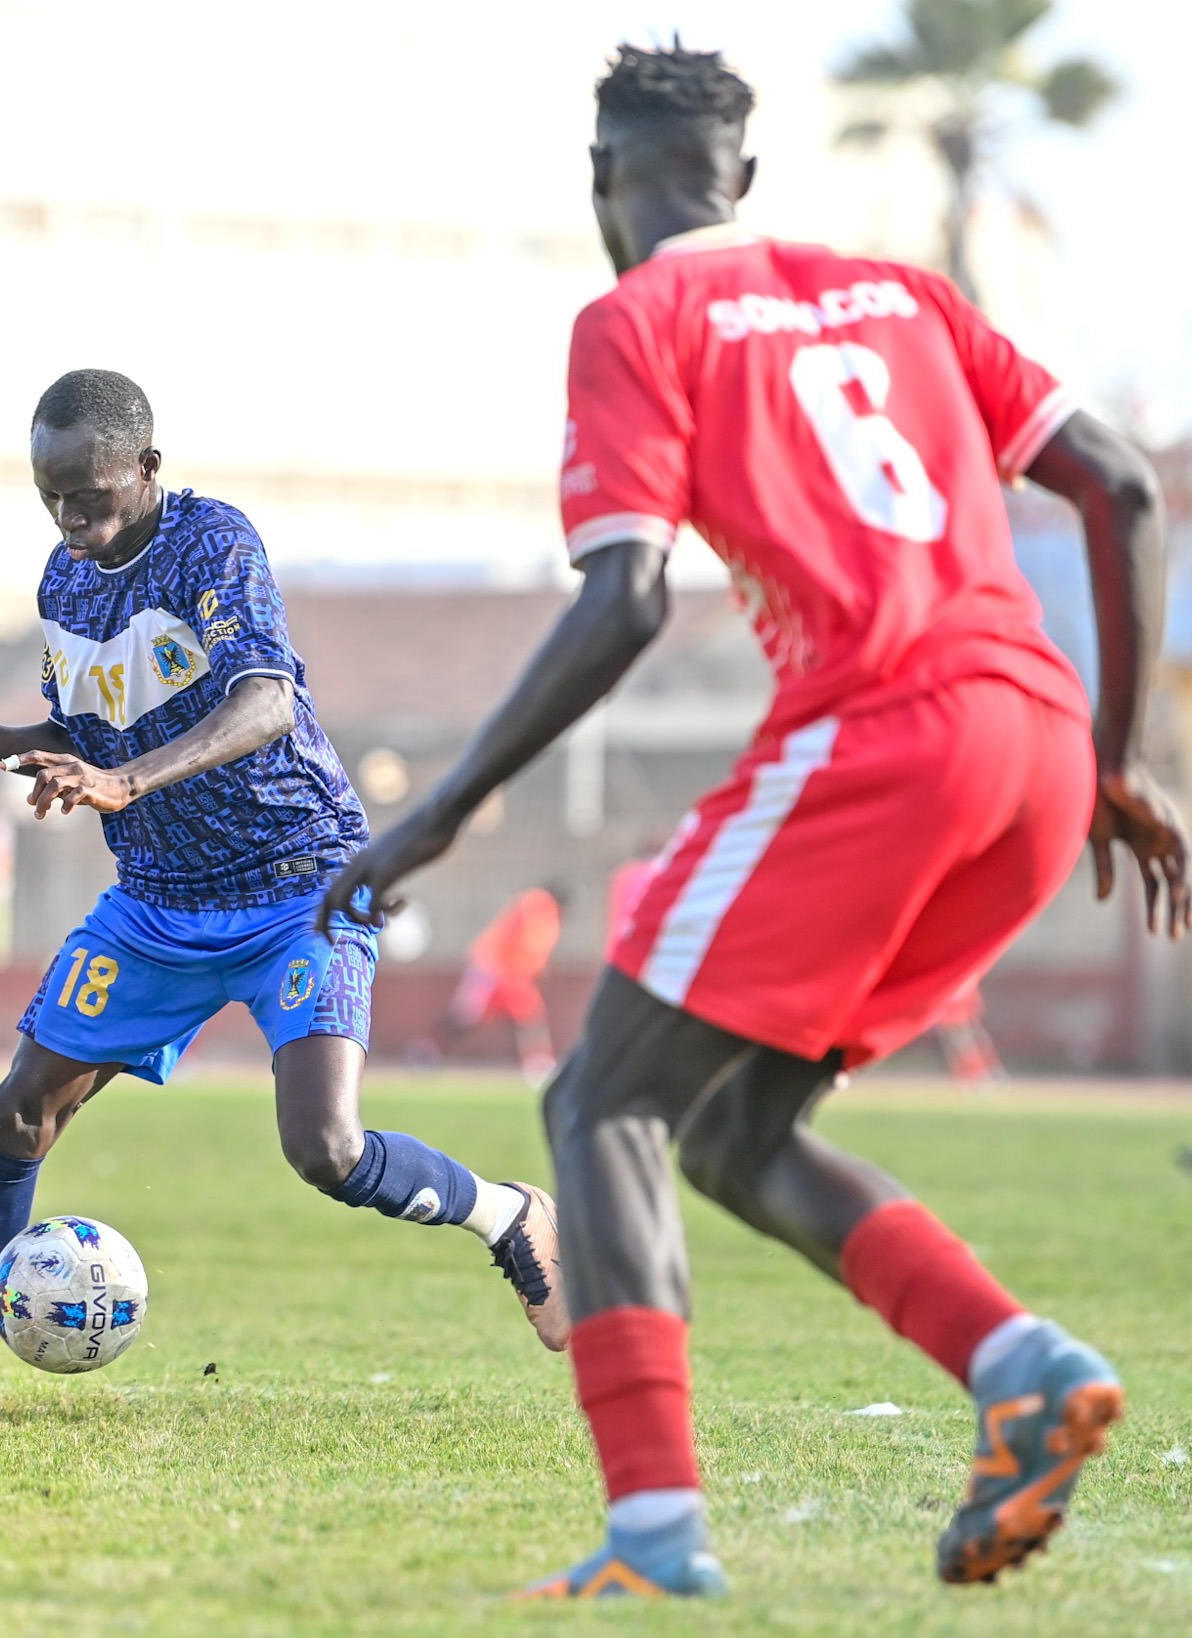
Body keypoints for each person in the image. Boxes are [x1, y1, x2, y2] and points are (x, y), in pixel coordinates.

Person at [323, 45, 1188, 1597]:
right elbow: (1123, 486)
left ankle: (655, 1532)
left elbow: (629, 594)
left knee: (599, 1105)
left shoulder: (637, 316)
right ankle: (1026, 1364)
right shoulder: (901, 294)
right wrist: (1120, 760)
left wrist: (445, 807)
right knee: (731, 1125)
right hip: (1043, 746)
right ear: (750, 179)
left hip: (885, 735)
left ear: (608, 180)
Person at [0, 369, 566, 1411]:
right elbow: (80, 743)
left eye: (87, 498)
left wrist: (125, 781)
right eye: (49, 497)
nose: (68, 520)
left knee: (324, 1149)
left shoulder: (211, 544)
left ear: (145, 469)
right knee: (14, 1115)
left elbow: (264, 701)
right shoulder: (64, 581)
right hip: (156, 900)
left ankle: (505, 1215)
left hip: (302, 882)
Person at [438, 884, 565, 1081]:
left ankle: (538, 1063)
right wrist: (534, 968)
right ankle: (428, 1051)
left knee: (528, 1015)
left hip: (508, 971)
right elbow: (528, 940)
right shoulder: (538, 903)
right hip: (494, 968)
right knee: (465, 1016)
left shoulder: (541, 907)